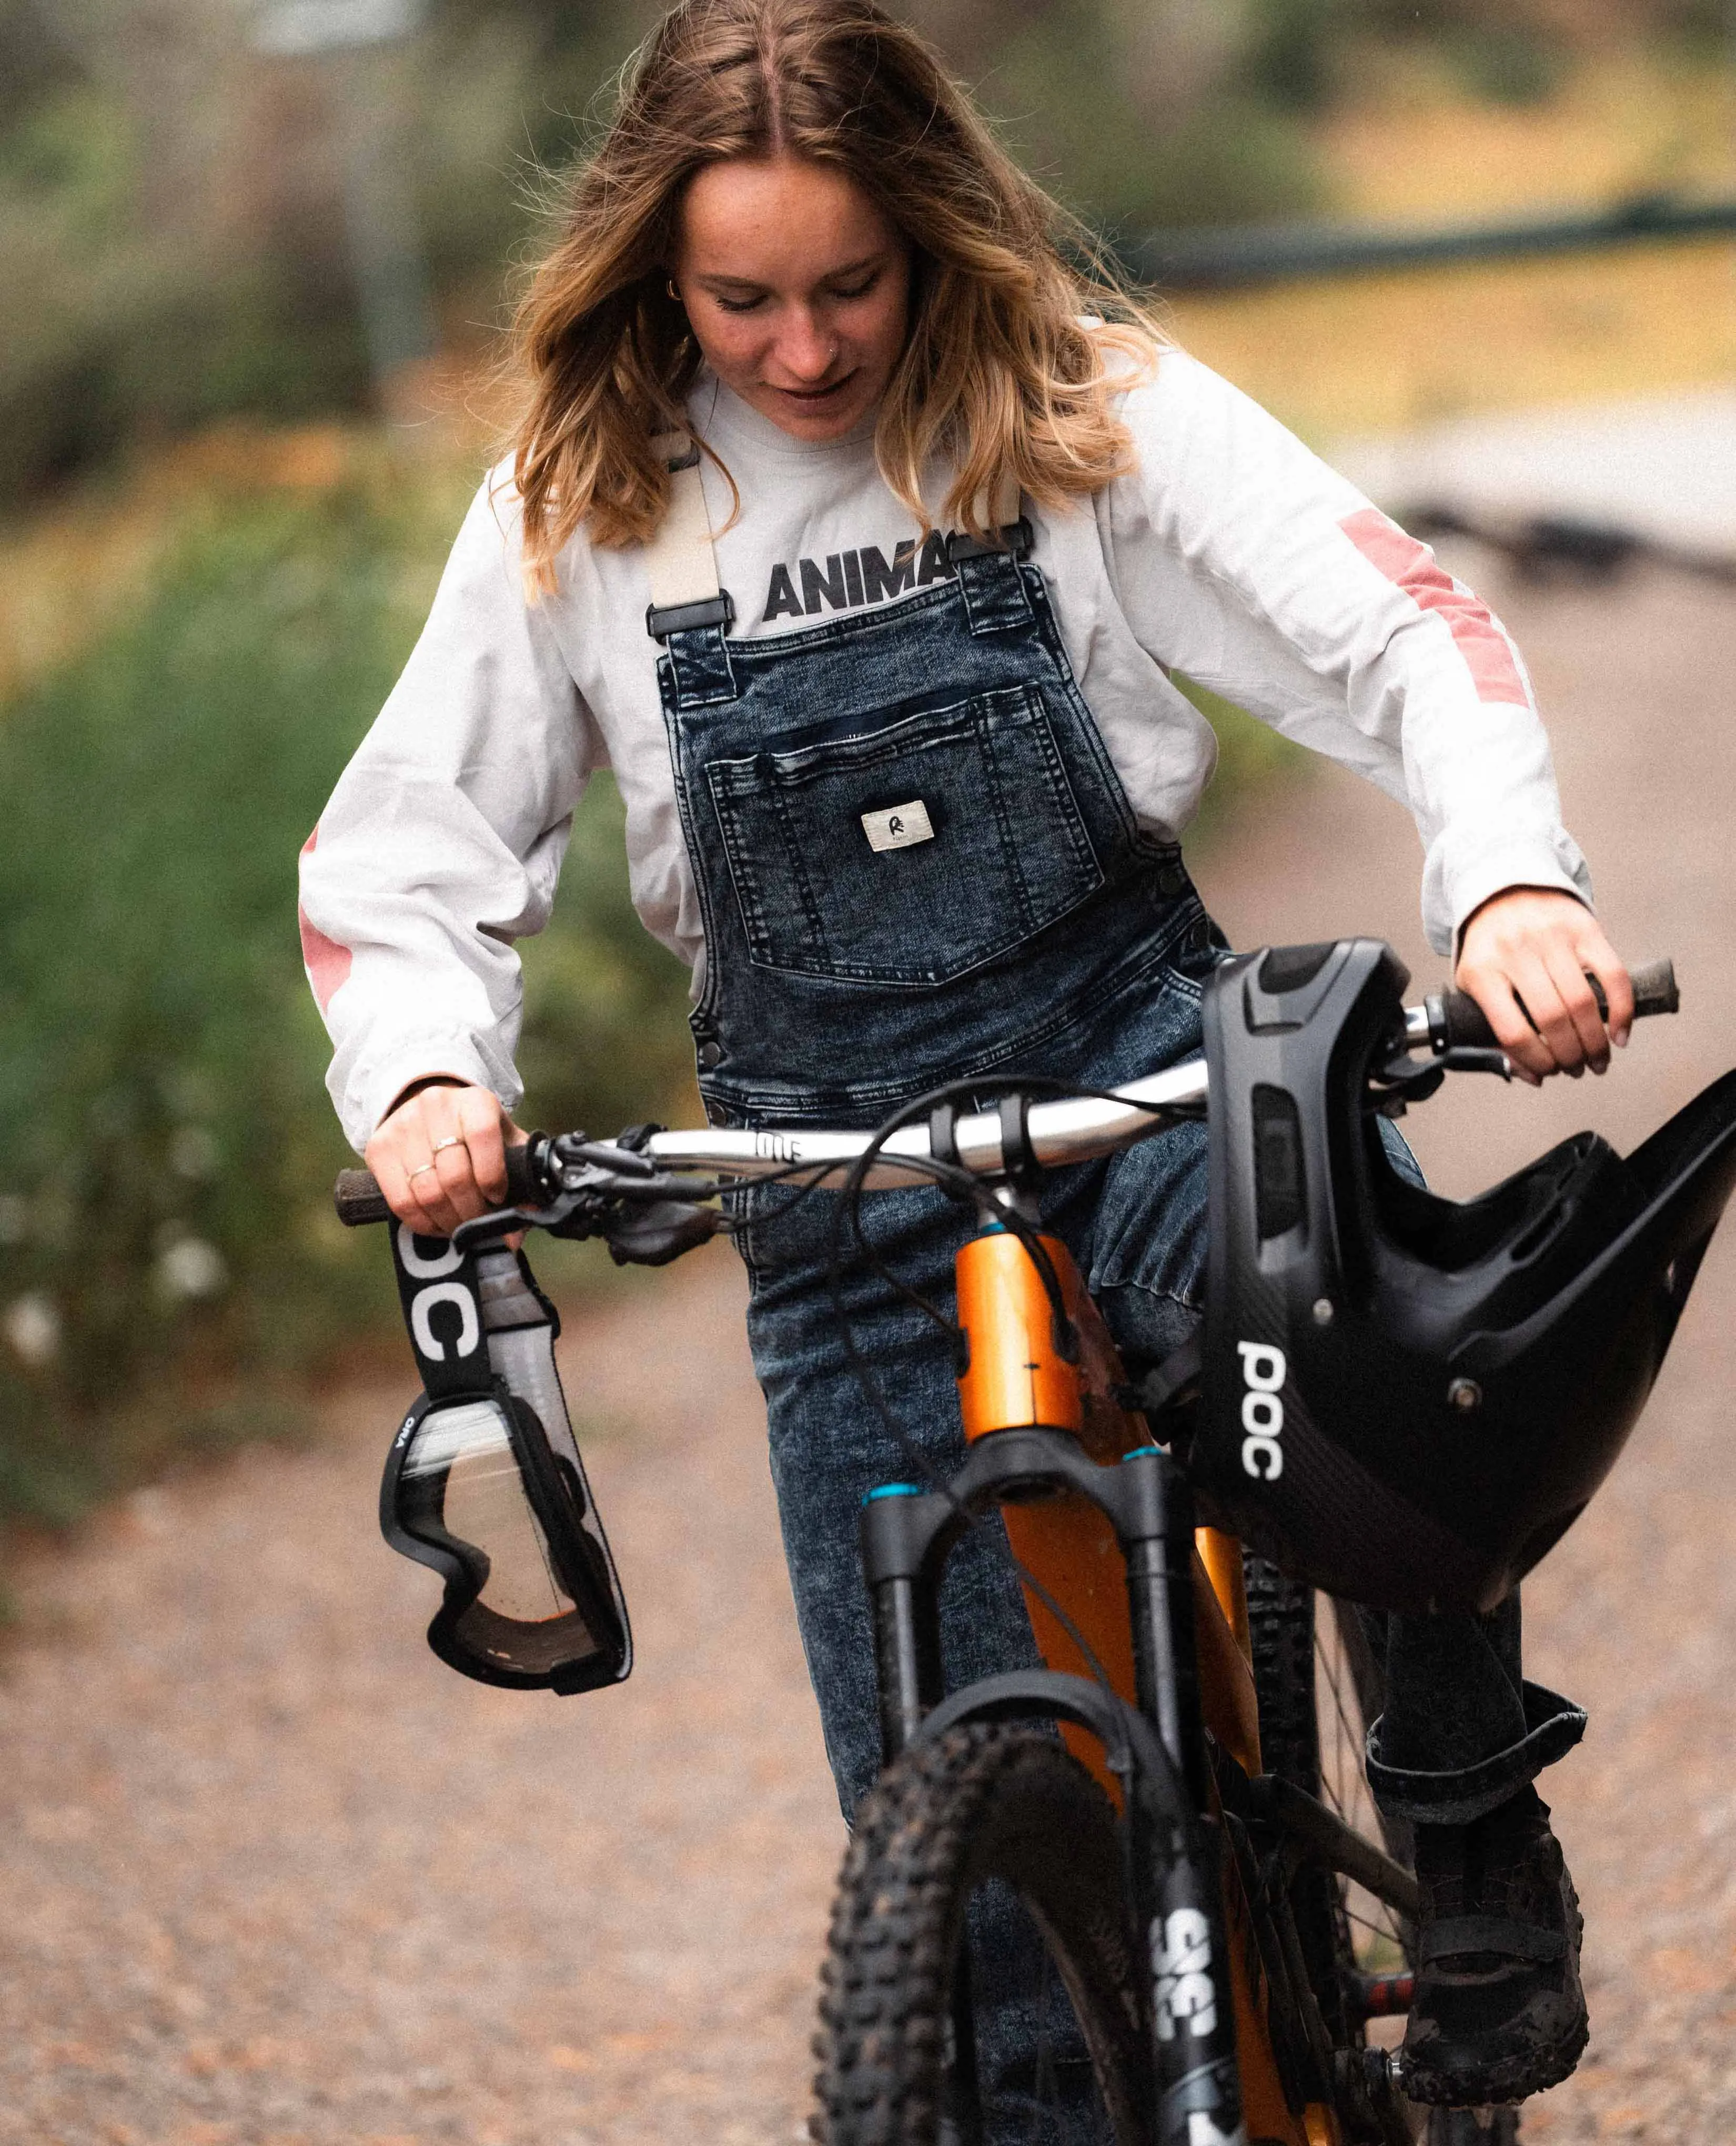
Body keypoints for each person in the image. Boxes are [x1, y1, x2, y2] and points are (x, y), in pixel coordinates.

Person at [300, 0, 1629, 2128]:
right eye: (742, 298)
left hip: (1143, 1078)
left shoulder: (1077, 405)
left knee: (1361, 1350)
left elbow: (1404, 633)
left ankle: (1472, 1847)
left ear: (931, 235)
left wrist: (1509, 891)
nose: (805, 347)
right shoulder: (584, 503)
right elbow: (401, 855)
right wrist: (427, 1080)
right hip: (831, 1184)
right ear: (660, 271)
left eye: (851, 284)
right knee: (962, 1872)